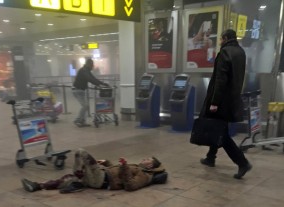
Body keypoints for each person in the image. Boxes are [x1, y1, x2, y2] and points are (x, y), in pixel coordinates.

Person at [199, 29, 252, 179]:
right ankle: (211, 157)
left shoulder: (224, 53)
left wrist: (214, 102)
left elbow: (220, 80)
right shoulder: (240, 52)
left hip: (221, 100)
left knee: (221, 134)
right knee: (218, 128)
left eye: (221, 39)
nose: (220, 41)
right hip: (232, 99)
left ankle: (242, 163)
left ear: (226, 38)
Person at [21, 148, 168, 193]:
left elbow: (130, 186)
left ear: (150, 166)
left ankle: (78, 183)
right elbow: (116, 170)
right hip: (101, 175)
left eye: (148, 159)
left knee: (81, 153)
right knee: (67, 178)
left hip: (103, 179)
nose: (144, 158)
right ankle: (37, 186)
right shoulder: (137, 166)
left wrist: (124, 166)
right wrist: (107, 162)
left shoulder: (145, 175)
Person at [72, 58, 108, 127]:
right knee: (85, 105)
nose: (93, 66)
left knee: (86, 106)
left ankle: (82, 122)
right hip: (77, 90)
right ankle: (78, 120)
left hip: (81, 90)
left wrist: (102, 83)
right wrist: (99, 84)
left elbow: (93, 78)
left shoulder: (86, 70)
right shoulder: (84, 71)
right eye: (92, 65)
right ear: (89, 64)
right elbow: (90, 79)